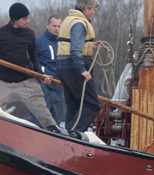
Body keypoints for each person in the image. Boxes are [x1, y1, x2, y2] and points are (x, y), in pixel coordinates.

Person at [0, 3, 60, 132]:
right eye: (25, 18)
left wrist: (40, 76)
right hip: (3, 82)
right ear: (15, 19)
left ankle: (55, 132)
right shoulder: (1, 33)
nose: (28, 21)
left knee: (43, 113)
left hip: (26, 81)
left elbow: (34, 57)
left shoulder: (29, 33)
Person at [57, 0, 102, 132]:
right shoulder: (79, 23)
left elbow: (71, 43)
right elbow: (75, 49)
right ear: (86, 9)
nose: (94, 12)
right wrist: (82, 70)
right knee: (92, 104)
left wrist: (91, 45)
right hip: (75, 67)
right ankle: (74, 135)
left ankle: (66, 134)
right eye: (93, 9)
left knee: (75, 104)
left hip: (63, 66)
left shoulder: (69, 20)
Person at [29, 15, 64, 127]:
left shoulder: (62, 44)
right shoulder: (38, 42)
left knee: (56, 122)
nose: (56, 28)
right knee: (38, 119)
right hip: (43, 86)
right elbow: (30, 62)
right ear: (47, 25)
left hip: (58, 87)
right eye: (54, 25)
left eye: (59, 26)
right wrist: (40, 75)